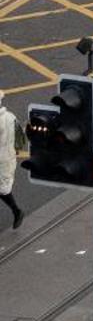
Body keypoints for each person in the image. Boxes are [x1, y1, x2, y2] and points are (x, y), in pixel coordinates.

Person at [0, 88, 22, 230]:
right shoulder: (11, 117)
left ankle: (17, 211)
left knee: (3, 189)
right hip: (8, 158)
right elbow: (20, 139)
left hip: (3, 161)